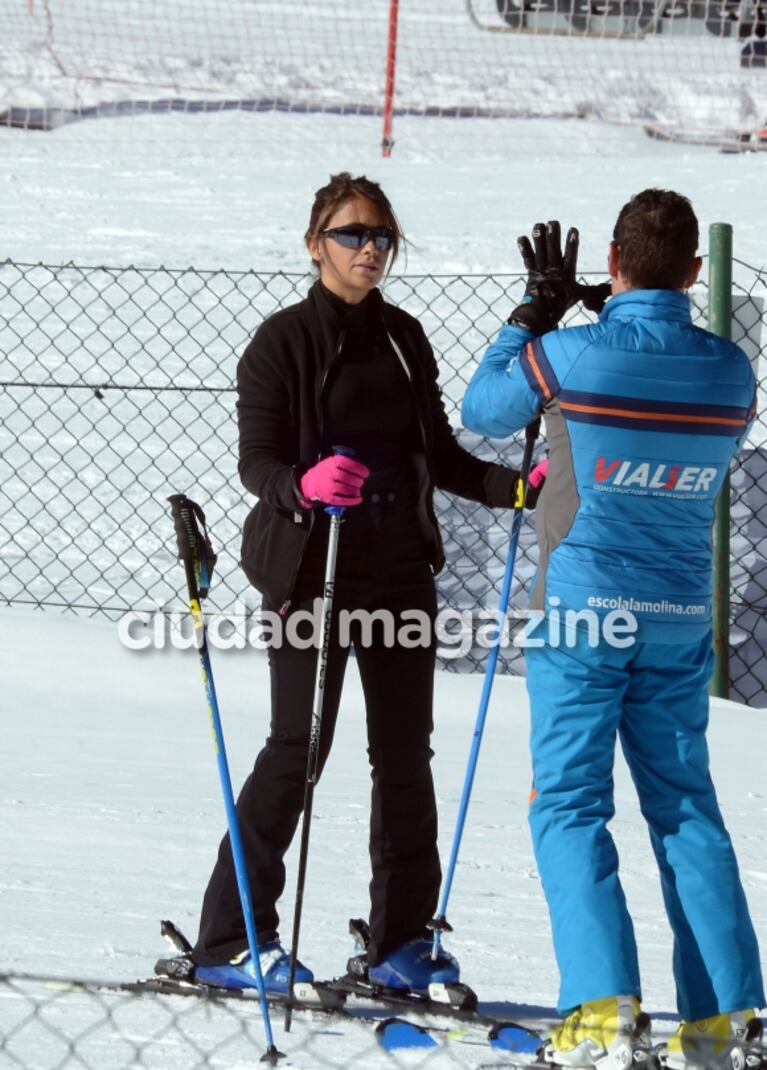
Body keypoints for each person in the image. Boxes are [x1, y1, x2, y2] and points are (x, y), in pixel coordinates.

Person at [187, 172, 532, 997]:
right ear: (315, 245)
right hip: (310, 574)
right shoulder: (281, 342)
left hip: (396, 571)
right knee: (296, 750)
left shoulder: (406, 337)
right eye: (351, 235)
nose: (369, 248)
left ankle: (400, 940)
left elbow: (440, 456)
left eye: (380, 235)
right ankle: (229, 939)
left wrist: (513, 486)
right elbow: (257, 461)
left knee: (405, 757)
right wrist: (303, 485)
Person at [461, 190, 764, 1070]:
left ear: (612, 258)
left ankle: (600, 1007)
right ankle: (727, 1019)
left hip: (587, 609)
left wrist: (533, 315)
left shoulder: (570, 353)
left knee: (567, 804)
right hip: (676, 619)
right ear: (696, 273)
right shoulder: (731, 371)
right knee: (686, 812)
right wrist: (626, 319)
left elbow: (484, 411)